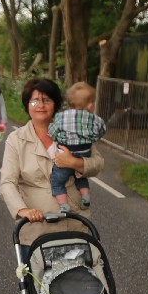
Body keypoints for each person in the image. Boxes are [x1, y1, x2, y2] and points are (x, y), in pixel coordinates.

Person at [0, 78, 105, 248]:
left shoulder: (72, 129)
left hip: (74, 222)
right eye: (35, 100)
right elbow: (7, 183)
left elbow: (98, 164)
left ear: (55, 104)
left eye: (46, 100)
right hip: (36, 229)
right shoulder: (16, 140)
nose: (41, 105)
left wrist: (74, 162)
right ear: (27, 105)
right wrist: (23, 210)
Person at [48, 81, 107, 213]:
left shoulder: (61, 117)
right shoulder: (95, 119)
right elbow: (102, 130)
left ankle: (63, 205)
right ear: (90, 105)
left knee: (57, 181)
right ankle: (85, 196)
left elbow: (52, 131)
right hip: (84, 152)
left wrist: (56, 138)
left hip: (65, 153)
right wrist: (92, 138)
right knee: (80, 175)